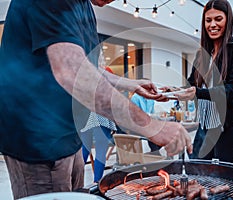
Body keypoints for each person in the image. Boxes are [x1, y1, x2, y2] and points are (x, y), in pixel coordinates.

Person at [0, 0, 192, 199]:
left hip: (68, 135)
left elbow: (86, 66)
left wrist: (129, 84)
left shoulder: (84, 7)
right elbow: (71, 71)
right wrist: (152, 126)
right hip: (37, 140)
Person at [175, 0, 233, 164]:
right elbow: (191, 85)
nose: (212, 24)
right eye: (208, 20)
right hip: (205, 128)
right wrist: (172, 91)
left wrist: (197, 92)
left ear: (228, 20)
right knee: (198, 175)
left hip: (230, 130)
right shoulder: (202, 54)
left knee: (228, 183)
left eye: (218, 19)